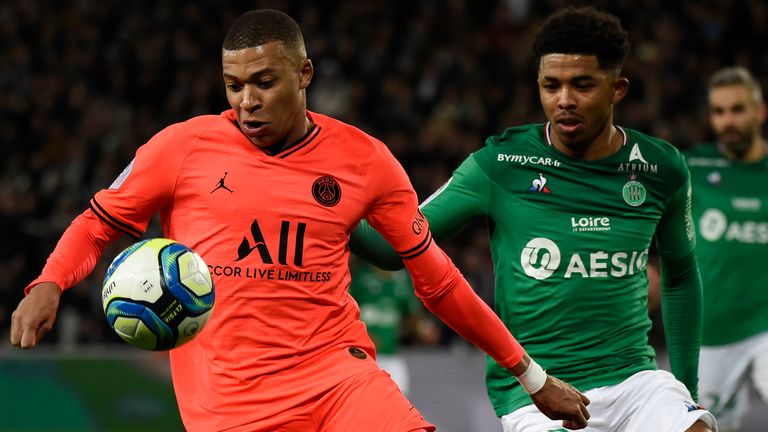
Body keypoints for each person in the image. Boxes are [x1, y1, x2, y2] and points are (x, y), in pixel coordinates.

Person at [9, 9, 590, 432]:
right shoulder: (180, 148)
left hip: (338, 376)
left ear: (304, 73)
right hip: (228, 403)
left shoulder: (366, 160)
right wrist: (49, 282)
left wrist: (532, 377)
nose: (247, 102)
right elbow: (96, 224)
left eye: (264, 82)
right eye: (234, 87)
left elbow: (437, 281)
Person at [351, 6, 718, 432]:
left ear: (617, 89)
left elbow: (680, 277)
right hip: (536, 391)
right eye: (551, 85)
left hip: (636, 381)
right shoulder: (501, 163)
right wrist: (332, 211)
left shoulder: (660, 168)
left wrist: (685, 388)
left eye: (582, 85)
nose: (564, 100)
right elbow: (394, 248)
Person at [678, 66, 768, 431]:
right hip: (711, 331)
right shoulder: (691, 165)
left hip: (765, 323)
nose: (727, 120)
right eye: (718, 112)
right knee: (706, 427)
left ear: (759, 112)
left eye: (737, 109)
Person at [348, 259, 440, 395]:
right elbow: (345, 312)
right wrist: (362, 337)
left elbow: (413, 314)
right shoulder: (361, 276)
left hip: (391, 356)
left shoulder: (401, 279)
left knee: (400, 401)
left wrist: (424, 329)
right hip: (362, 357)